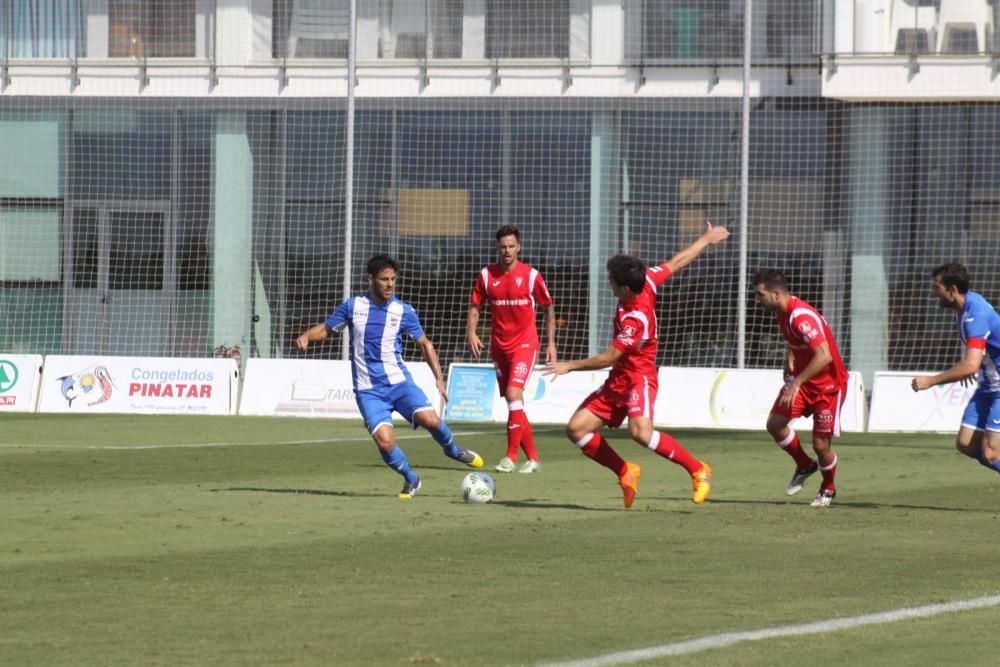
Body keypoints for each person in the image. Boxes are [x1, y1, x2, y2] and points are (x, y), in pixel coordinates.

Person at [543, 222, 728, 508]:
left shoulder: (634, 319)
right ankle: (625, 471)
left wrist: (570, 365)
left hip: (639, 377)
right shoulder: (648, 279)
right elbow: (676, 262)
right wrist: (705, 238)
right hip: (619, 379)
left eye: (612, 281)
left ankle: (697, 469)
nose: (609, 283)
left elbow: (608, 357)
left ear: (625, 288)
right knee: (577, 429)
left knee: (640, 432)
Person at [296, 254, 484, 499]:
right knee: (385, 442)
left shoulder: (403, 310)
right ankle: (412, 479)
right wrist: (307, 336)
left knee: (433, 421)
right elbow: (327, 329)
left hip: (399, 384)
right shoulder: (353, 306)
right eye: (384, 279)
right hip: (368, 390)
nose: (390, 284)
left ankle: (452, 450)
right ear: (371, 279)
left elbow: (425, 344)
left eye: (393, 279)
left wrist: (439, 378)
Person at [753, 268, 849, 508]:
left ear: (776, 293)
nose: (757, 300)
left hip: (828, 387)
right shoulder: (782, 313)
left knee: (821, 445)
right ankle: (805, 465)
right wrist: (790, 359)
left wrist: (796, 381)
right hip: (805, 383)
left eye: (760, 295)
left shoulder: (800, 316)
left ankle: (828, 487)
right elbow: (799, 342)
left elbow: (824, 355)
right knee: (775, 424)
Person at [467, 224, 556, 474]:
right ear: (498, 248)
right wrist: (471, 332)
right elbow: (475, 306)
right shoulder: (486, 275)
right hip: (499, 347)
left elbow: (548, 307)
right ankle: (534, 459)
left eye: (511, 246)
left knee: (514, 394)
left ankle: (510, 457)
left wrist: (550, 343)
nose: (507, 251)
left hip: (525, 345)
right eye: (503, 247)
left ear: (519, 247)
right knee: (513, 402)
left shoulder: (531, 276)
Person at [911, 263, 1000, 476]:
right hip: (988, 385)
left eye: (937, 288)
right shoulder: (963, 308)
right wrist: (971, 366)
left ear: (952, 289)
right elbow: (975, 357)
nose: (934, 293)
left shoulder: (975, 314)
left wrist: (930, 381)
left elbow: (969, 365)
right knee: (965, 443)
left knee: (990, 453)